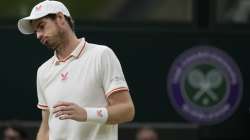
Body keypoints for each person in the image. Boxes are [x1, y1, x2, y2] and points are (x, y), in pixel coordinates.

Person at [17, 0, 135, 140]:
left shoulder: (102, 54)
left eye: (42, 26)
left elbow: (127, 110)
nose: (38, 35)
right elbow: (46, 128)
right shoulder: (43, 71)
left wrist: (86, 114)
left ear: (60, 18)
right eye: (36, 31)